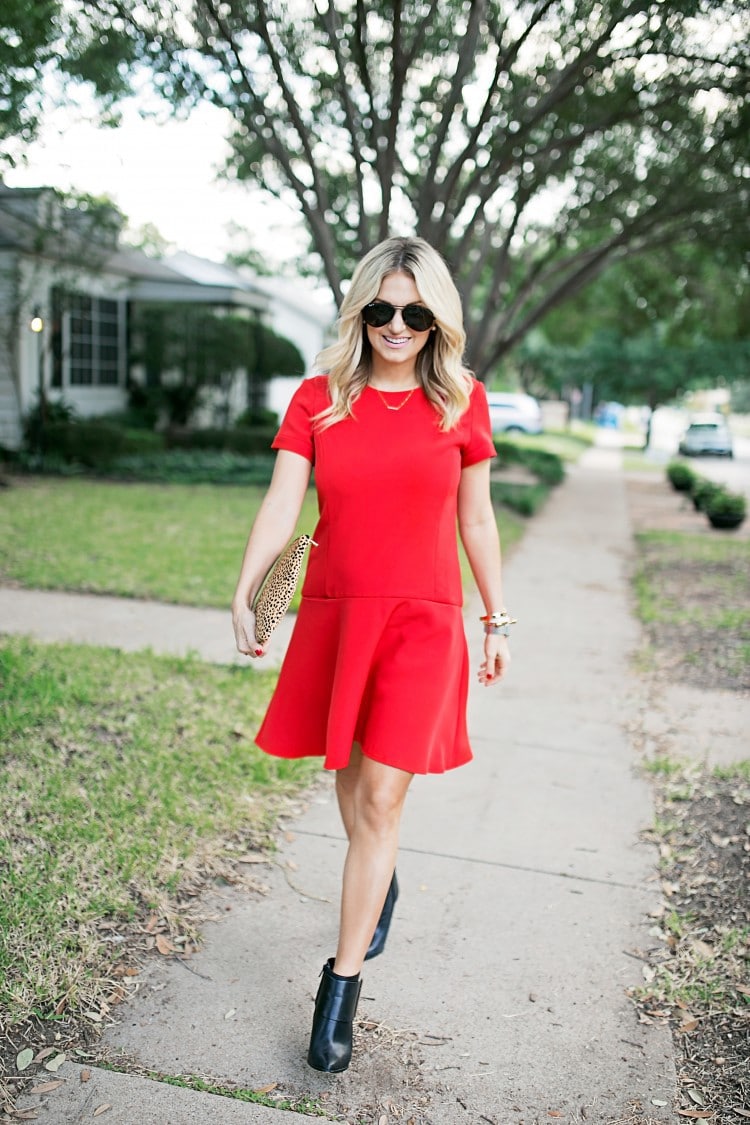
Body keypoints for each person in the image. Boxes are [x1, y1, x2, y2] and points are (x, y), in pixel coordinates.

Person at [231, 236, 512, 1073]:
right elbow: (283, 501)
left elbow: (477, 521)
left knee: (383, 800)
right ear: (361, 310)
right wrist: (246, 589)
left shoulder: (463, 402)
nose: (398, 325)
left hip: (424, 622)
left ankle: (340, 986)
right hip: (335, 618)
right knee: (352, 790)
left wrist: (498, 619)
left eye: (416, 312)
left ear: (438, 321)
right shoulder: (318, 400)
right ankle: (376, 879)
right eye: (383, 309)